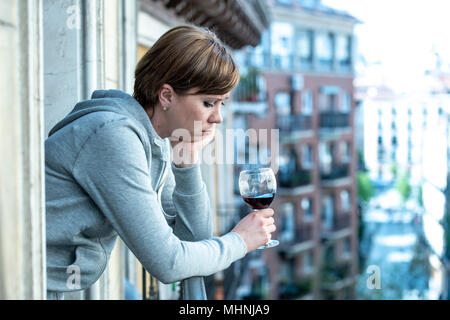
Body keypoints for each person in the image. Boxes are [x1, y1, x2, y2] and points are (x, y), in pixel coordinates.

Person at [45, 25, 276, 300]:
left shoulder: (155, 141)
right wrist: (240, 241)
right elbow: (168, 263)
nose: (218, 118)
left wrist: (188, 164)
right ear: (166, 95)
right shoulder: (112, 135)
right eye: (208, 103)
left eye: (221, 104)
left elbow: (192, 239)